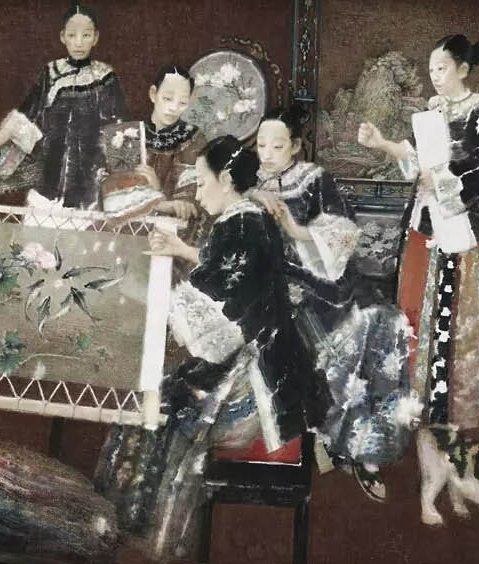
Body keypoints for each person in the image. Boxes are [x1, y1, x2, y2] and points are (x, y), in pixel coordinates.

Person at [95, 136, 318, 560]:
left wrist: (158, 296)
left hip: (257, 378)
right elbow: (220, 275)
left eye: (201, 182)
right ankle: (127, 527)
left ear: (226, 179)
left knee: (160, 404)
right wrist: (177, 259)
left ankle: (139, 532)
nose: (197, 194)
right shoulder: (244, 220)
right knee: (158, 389)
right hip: (257, 356)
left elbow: (220, 320)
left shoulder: (244, 224)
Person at [252, 104, 419, 501]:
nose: (268, 153)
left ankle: (367, 449)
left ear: (295, 146)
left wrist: (296, 229)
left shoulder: (314, 180)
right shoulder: (246, 182)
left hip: (324, 280)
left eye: (278, 146)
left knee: (381, 321)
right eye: (261, 145)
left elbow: (344, 233)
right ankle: (328, 437)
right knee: (327, 345)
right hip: (273, 288)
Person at [356, 34, 479, 429]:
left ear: (463, 68)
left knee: (456, 309)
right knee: (412, 301)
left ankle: (453, 402)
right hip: (424, 219)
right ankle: (415, 393)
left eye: (442, 68)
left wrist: (445, 178)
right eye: (431, 70)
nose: (435, 76)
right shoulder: (432, 110)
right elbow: (413, 157)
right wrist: (381, 144)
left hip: (460, 222)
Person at [0, 1, 127, 210]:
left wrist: (125, 182)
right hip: (49, 178)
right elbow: (22, 120)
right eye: (72, 35)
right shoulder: (51, 73)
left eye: (86, 35)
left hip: (91, 183)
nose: (79, 42)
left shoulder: (106, 77)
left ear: (95, 37)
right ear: (62, 37)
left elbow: (121, 131)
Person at [97, 63, 204, 237]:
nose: (173, 107)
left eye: (182, 102)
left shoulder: (193, 139)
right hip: (124, 230)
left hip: (169, 232)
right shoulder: (125, 134)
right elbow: (116, 199)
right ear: (153, 94)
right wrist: (160, 202)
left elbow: (188, 203)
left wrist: (157, 192)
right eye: (168, 98)